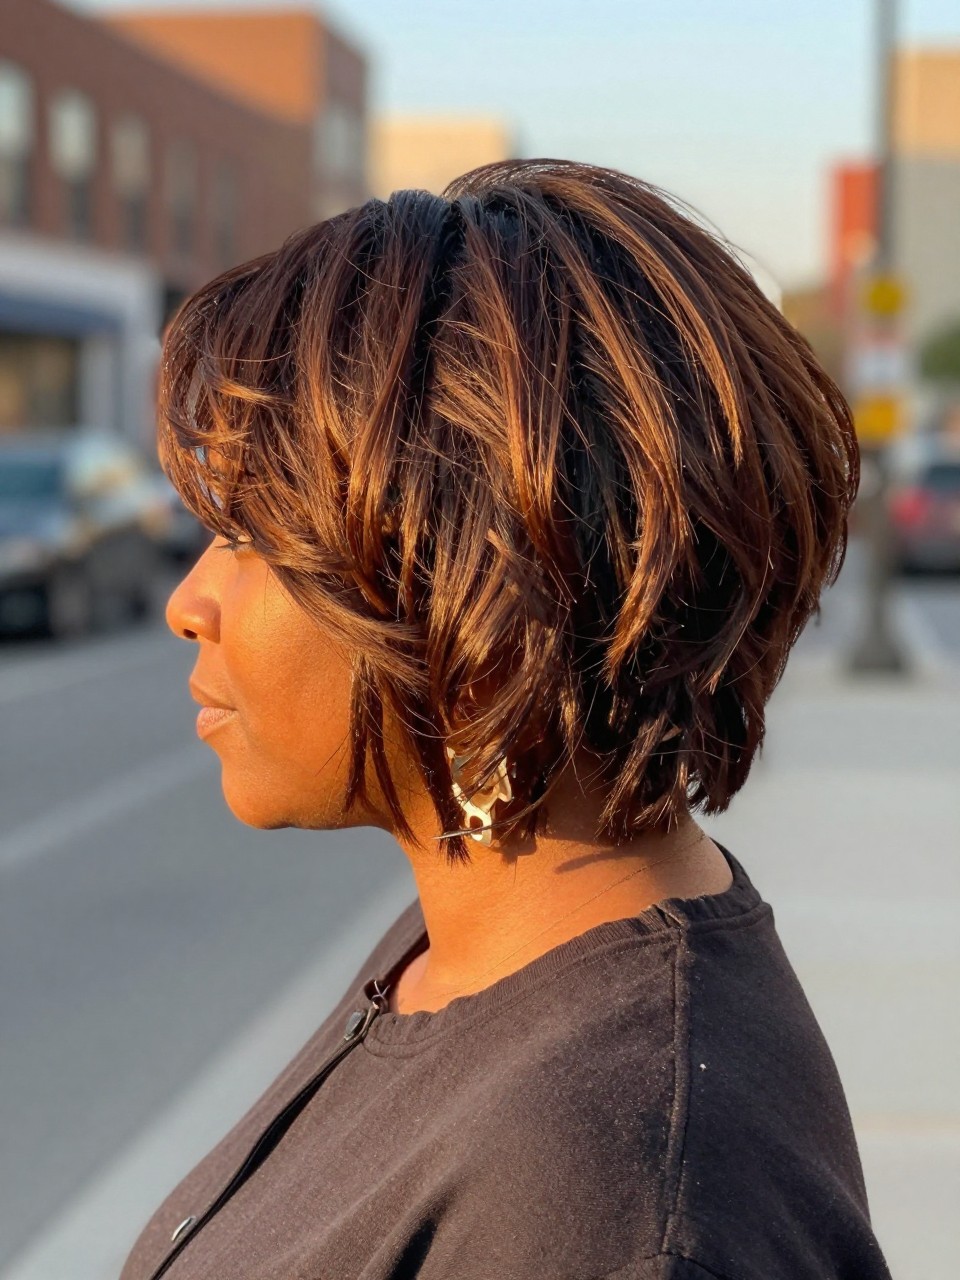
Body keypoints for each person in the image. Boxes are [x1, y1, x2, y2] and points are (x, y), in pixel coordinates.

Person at [123, 159, 893, 1279]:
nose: (188, 603)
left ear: (482, 581)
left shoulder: (610, 1195)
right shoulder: (475, 951)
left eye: (255, 537)